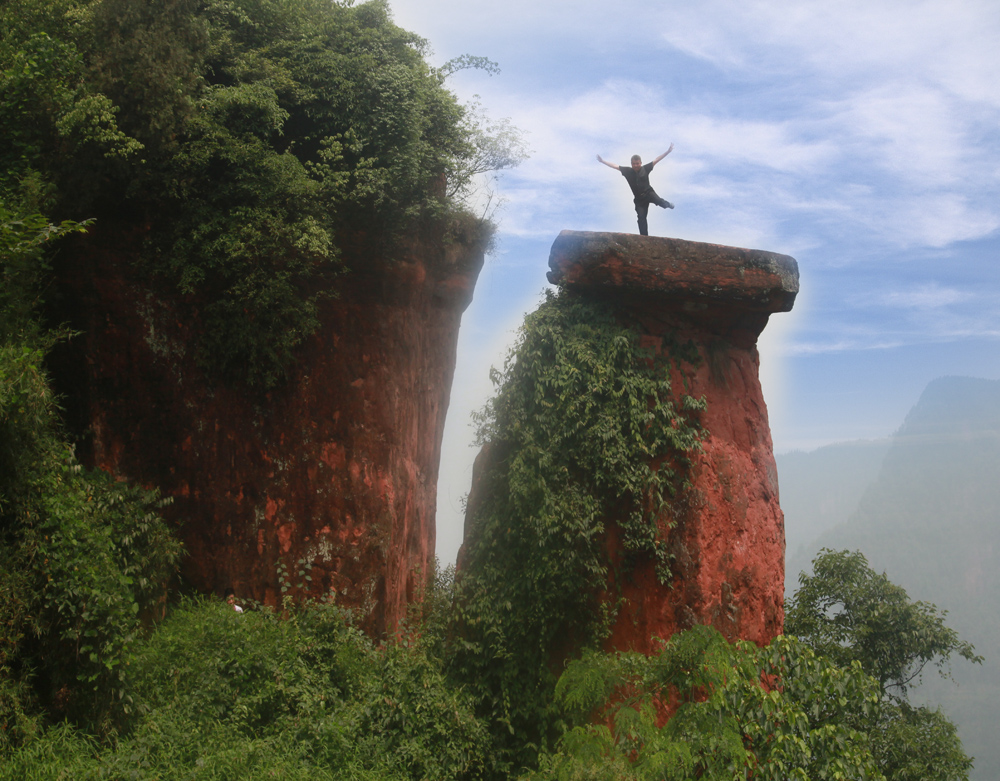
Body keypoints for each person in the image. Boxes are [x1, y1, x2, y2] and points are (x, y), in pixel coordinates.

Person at [597, 144, 674, 236]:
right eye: (634, 164)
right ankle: (644, 237)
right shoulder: (627, 171)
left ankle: (668, 204)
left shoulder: (645, 168)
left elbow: (657, 159)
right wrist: (602, 161)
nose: (636, 165)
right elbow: (615, 166)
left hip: (649, 193)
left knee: (659, 201)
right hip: (639, 200)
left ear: (640, 163)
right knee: (641, 218)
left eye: (637, 163)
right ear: (631, 164)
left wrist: (668, 151)